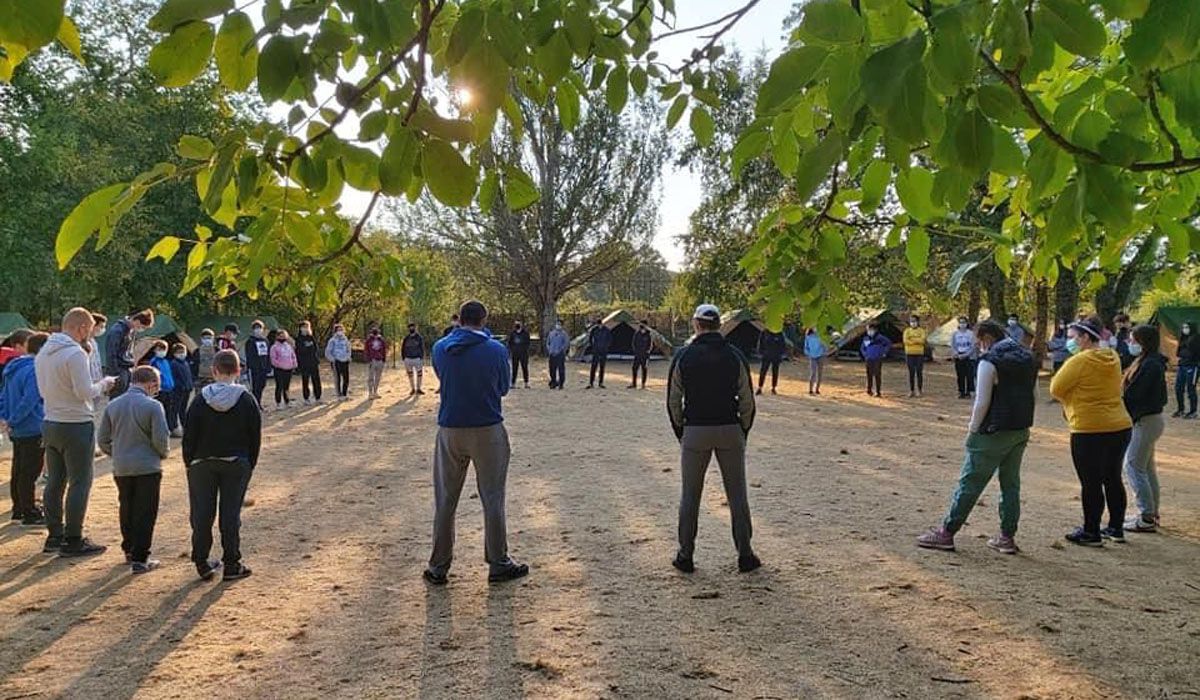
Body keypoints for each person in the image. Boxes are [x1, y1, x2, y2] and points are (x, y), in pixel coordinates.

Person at [425, 300, 527, 585]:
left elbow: (442, 377)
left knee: (445, 500)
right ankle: (498, 562)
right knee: (492, 498)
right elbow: (504, 388)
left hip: (449, 428)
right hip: (487, 428)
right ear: (484, 319)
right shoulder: (495, 349)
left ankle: (438, 566)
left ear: (459, 319)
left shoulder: (439, 348)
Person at [916, 320, 1037, 554]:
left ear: (986, 338)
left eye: (978, 341)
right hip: (1019, 429)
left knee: (970, 483)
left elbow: (982, 402)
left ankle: (947, 532)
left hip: (992, 431)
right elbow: (1034, 394)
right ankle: (1007, 536)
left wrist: (972, 429)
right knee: (1010, 485)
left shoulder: (989, 361)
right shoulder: (1028, 358)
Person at [667, 304, 760, 574]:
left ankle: (685, 555)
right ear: (720, 325)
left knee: (690, 496)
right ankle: (745, 554)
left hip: (695, 429)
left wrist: (682, 431)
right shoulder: (735, 355)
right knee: (737, 495)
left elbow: (674, 400)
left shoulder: (684, 356)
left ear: (696, 324)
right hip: (730, 427)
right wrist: (743, 429)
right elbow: (747, 400)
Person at [34, 307, 117, 556]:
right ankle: (73, 538)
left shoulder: (43, 353)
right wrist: (104, 384)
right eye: (89, 331)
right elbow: (84, 391)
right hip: (75, 423)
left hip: (51, 421)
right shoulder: (74, 354)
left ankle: (54, 535)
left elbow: (42, 391)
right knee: (80, 481)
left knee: (55, 481)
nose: (89, 336)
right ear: (81, 328)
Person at [1049, 316, 1134, 546]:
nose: (1072, 342)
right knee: (1112, 477)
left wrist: (1071, 399)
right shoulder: (1112, 356)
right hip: (1119, 425)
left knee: (1091, 482)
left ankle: (1091, 532)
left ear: (1086, 337)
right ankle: (1116, 527)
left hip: (1089, 428)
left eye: (1074, 337)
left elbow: (1055, 388)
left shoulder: (1080, 361)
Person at [182, 349, 261, 582]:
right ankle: (232, 563)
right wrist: (249, 464)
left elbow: (189, 436)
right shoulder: (246, 399)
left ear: (214, 371)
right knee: (230, 515)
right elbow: (254, 436)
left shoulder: (199, 400)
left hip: (202, 463)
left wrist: (190, 462)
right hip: (236, 462)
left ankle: (201, 561)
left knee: (202, 515)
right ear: (238, 371)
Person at [97, 366, 169, 574]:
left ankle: (128, 549)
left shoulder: (114, 405)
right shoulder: (153, 406)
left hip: (122, 466)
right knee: (146, 511)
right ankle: (141, 557)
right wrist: (161, 454)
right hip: (147, 466)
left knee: (126, 507)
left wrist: (117, 452)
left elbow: (102, 440)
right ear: (150, 384)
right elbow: (160, 439)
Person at [1121, 325, 1168, 533]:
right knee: (1146, 469)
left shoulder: (1151, 365)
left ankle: (1146, 516)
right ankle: (1151, 513)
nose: (1130, 344)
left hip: (1145, 421)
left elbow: (1135, 394)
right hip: (1148, 420)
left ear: (1143, 343)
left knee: (1132, 466)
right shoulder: (1147, 362)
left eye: (1133, 341)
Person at [0, 331, 47, 525]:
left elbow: (3, 396)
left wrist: (6, 418)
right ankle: (29, 511)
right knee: (30, 471)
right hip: (32, 426)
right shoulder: (35, 370)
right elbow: (30, 399)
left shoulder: (12, 367)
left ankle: (19, 508)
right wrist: (14, 419)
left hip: (17, 427)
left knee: (18, 468)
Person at [104, 309, 154, 398]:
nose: (142, 329)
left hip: (127, 369)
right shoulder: (117, 330)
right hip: (119, 370)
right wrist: (115, 373)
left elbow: (129, 352)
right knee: (117, 401)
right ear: (137, 321)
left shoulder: (131, 331)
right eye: (143, 326)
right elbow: (111, 353)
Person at [146, 340, 179, 434]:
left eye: (164, 349)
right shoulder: (154, 362)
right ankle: (159, 430)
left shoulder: (166, 361)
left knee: (169, 410)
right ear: (155, 350)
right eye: (159, 349)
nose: (162, 351)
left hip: (169, 389)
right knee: (160, 411)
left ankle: (169, 428)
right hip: (160, 390)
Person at [1172, 319, 1198, 419]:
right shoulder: (1183, 338)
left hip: (1193, 366)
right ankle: (1180, 409)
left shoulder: (1196, 338)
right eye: (1183, 327)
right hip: (1182, 366)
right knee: (1178, 388)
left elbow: (1193, 353)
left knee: (1191, 389)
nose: (1184, 329)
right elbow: (1178, 353)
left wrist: (1186, 352)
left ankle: (1193, 411)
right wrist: (1185, 352)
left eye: (1186, 327)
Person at [168, 342, 193, 436]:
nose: (182, 354)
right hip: (178, 390)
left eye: (183, 351)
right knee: (175, 409)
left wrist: (190, 386)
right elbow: (174, 378)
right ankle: (173, 428)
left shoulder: (186, 363)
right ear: (174, 353)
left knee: (183, 410)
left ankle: (185, 427)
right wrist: (180, 386)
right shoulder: (174, 364)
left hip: (187, 389)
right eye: (179, 352)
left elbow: (189, 376)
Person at [243, 320, 271, 406]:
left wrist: (268, 366)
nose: (258, 330)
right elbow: (248, 355)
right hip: (254, 369)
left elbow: (268, 354)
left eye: (259, 328)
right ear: (253, 329)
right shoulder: (250, 341)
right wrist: (250, 367)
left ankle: (258, 402)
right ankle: (255, 404)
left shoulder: (265, 340)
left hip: (264, 367)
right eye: (256, 328)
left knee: (262, 385)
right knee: (255, 387)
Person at [295, 321, 323, 404]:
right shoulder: (298, 339)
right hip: (304, 363)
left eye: (307, 327)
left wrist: (309, 349)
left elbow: (315, 348)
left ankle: (318, 397)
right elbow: (300, 350)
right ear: (300, 328)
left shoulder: (311, 337)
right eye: (304, 327)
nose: (305, 328)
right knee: (305, 380)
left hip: (313, 362)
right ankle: (306, 398)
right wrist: (307, 349)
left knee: (316, 380)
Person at [950, 317, 977, 399]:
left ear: (967, 323)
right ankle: (961, 391)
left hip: (969, 357)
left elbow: (973, 346)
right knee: (960, 375)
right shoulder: (955, 334)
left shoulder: (971, 334)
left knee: (969, 375)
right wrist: (956, 354)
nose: (962, 324)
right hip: (958, 355)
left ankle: (969, 392)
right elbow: (953, 345)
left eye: (964, 322)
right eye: (960, 322)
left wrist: (966, 355)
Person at [861, 323, 891, 397]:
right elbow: (862, 348)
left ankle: (878, 391)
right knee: (869, 374)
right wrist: (865, 355)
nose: (869, 331)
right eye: (868, 330)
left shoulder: (880, 338)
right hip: (868, 359)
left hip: (877, 359)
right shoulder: (866, 338)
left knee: (877, 375)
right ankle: (869, 389)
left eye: (871, 330)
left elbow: (888, 344)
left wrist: (884, 352)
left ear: (875, 330)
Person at [270, 330, 298, 409]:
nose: (282, 337)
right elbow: (273, 359)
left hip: (289, 369)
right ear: (277, 337)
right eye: (280, 336)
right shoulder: (274, 347)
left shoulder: (288, 346)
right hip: (279, 369)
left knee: (287, 386)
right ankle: (278, 403)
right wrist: (281, 365)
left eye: (284, 336)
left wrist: (294, 363)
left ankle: (287, 401)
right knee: (279, 386)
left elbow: (293, 355)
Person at [756, 327, 787, 396]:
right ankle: (760, 387)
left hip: (776, 356)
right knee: (763, 371)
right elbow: (760, 343)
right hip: (766, 356)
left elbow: (783, 344)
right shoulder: (764, 332)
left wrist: (782, 354)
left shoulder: (779, 333)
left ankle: (773, 387)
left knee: (775, 372)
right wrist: (760, 353)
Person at [903, 315, 928, 398]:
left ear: (918, 322)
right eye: (911, 321)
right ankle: (911, 390)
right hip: (909, 354)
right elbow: (906, 341)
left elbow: (922, 340)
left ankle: (919, 390)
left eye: (914, 321)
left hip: (919, 354)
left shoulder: (922, 331)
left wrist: (912, 340)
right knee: (911, 373)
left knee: (919, 372)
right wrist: (916, 340)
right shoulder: (907, 331)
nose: (913, 323)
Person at [325, 324, 352, 399]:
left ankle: (344, 393)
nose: (340, 331)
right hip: (336, 361)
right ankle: (338, 394)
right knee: (338, 378)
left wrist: (348, 357)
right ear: (335, 331)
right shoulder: (332, 340)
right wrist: (332, 359)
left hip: (345, 361)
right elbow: (327, 352)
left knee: (346, 378)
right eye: (338, 330)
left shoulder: (345, 339)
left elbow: (349, 349)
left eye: (341, 330)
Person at [586, 317, 612, 389]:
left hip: (603, 351)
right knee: (593, 367)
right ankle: (591, 383)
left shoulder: (606, 330)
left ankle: (601, 382)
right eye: (598, 325)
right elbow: (590, 339)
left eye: (600, 324)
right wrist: (593, 346)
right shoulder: (594, 330)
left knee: (602, 367)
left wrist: (606, 347)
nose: (599, 326)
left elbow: (610, 339)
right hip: (596, 351)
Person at [400, 323, 426, 396]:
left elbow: (422, 347)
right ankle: (412, 389)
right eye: (410, 327)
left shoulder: (419, 338)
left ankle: (418, 388)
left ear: (415, 328)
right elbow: (403, 348)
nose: (411, 328)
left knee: (419, 374)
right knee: (410, 374)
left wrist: (421, 357)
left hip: (417, 358)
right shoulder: (406, 338)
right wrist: (404, 358)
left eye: (413, 327)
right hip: (408, 358)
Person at [364, 323, 388, 399]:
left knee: (378, 377)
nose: (375, 332)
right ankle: (370, 393)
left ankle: (375, 392)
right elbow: (366, 350)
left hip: (380, 360)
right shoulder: (368, 340)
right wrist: (369, 359)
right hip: (372, 360)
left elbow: (384, 350)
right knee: (371, 377)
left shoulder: (381, 340)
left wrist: (384, 359)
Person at [545, 319, 570, 390]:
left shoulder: (564, 334)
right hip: (552, 354)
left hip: (560, 355)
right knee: (552, 369)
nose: (558, 325)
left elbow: (566, 344)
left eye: (559, 324)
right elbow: (548, 343)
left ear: (562, 325)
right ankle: (553, 382)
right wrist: (550, 350)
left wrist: (560, 351)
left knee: (561, 370)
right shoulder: (551, 333)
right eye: (557, 324)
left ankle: (561, 383)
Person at [507, 321, 531, 388]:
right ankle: (513, 383)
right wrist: (512, 350)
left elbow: (528, 343)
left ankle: (526, 383)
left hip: (524, 354)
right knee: (514, 368)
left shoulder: (525, 333)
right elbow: (510, 343)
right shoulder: (512, 333)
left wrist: (524, 349)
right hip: (515, 354)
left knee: (525, 368)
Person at [194, 328, 217, 398]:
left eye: (209, 338)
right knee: (200, 399)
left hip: (214, 379)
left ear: (213, 338)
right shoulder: (197, 351)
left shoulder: (217, 350)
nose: (207, 340)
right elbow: (194, 365)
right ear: (201, 339)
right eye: (205, 338)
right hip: (201, 379)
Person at [630, 320, 653, 389]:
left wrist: (647, 352)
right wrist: (636, 351)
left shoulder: (649, 334)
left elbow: (650, 345)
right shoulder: (637, 333)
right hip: (637, 355)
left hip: (645, 356)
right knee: (634, 368)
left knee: (644, 369)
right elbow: (633, 343)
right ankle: (634, 384)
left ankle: (643, 384)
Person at [804, 327, 827, 395]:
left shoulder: (821, 336)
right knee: (813, 373)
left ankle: (817, 389)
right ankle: (810, 389)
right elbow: (806, 347)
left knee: (820, 373)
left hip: (820, 356)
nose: (816, 329)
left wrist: (824, 351)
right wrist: (809, 354)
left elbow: (825, 346)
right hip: (812, 356)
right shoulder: (808, 336)